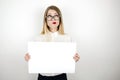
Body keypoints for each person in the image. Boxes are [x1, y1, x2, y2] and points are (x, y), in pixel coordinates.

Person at [24, 5, 80, 80]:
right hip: (43, 77)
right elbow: (35, 60)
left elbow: (68, 60)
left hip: (61, 77)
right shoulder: (38, 38)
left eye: (56, 16)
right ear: (45, 20)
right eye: (49, 16)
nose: (53, 19)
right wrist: (29, 59)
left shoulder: (67, 38)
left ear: (60, 19)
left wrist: (74, 60)